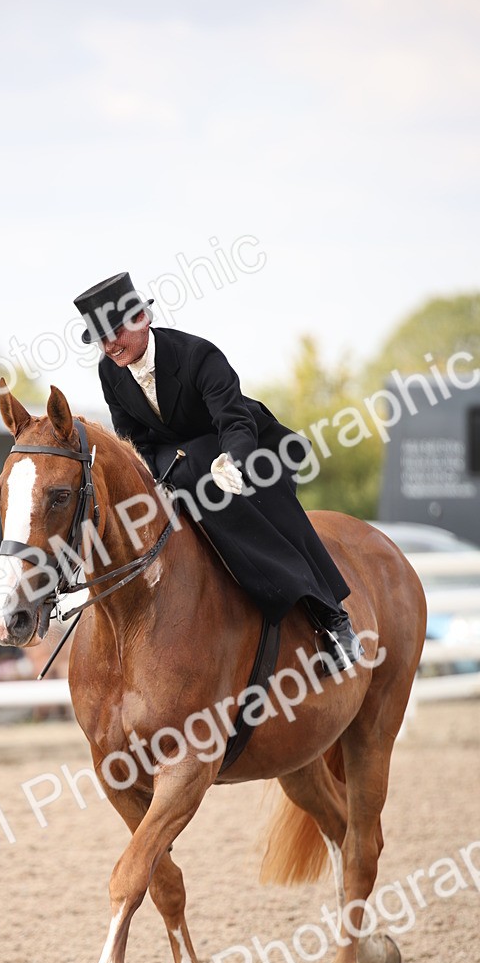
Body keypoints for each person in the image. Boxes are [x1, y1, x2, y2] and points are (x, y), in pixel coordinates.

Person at [72, 271, 363, 672]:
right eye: (100, 339)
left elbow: (235, 420)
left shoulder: (197, 355)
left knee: (269, 508)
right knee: (190, 469)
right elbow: (133, 440)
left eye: (115, 332)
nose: (110, 346)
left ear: (142, 319)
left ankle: (333, 618)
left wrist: (233, 459)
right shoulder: (111, 372)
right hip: (183, 465)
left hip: (247, 449)